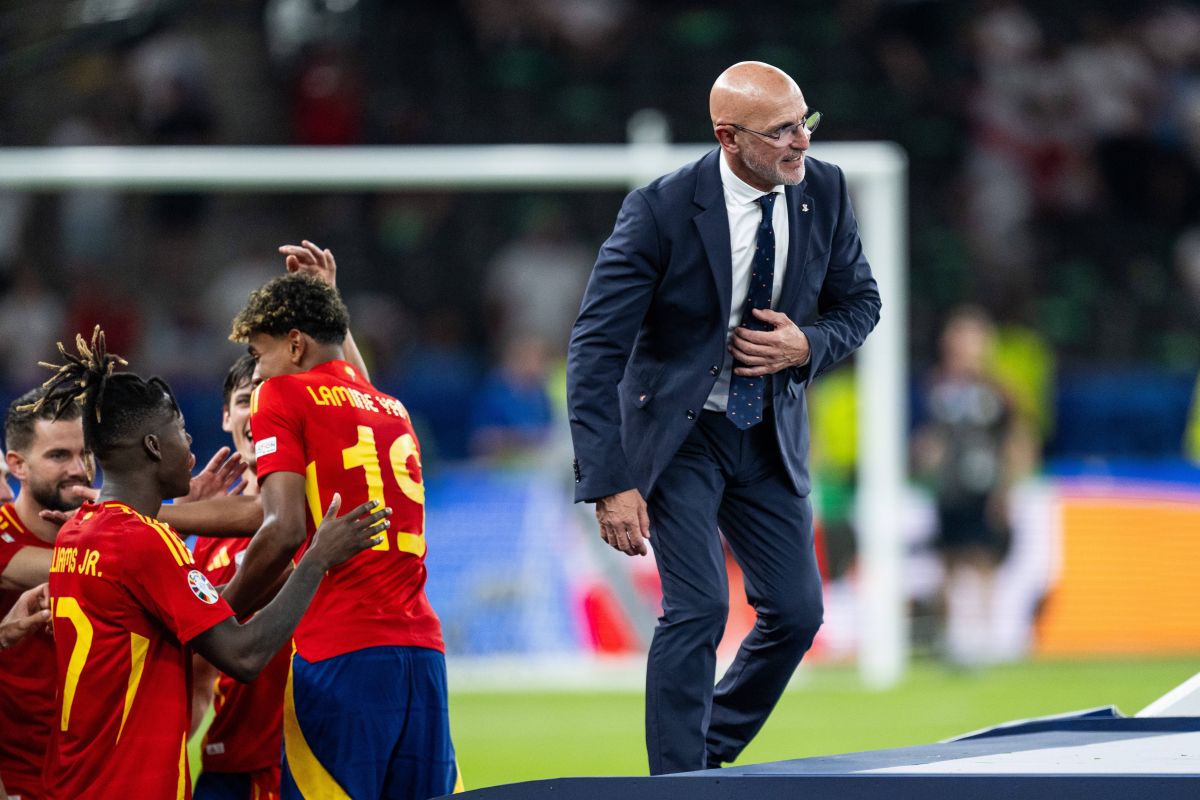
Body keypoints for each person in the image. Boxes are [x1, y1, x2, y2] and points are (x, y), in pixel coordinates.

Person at [567, 61, 881, 774]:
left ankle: (704, 758)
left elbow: (860, 304)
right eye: (783, 131)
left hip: (768, 431)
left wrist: (808, 345)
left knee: (798, 614)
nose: (803, 141)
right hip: (680, 439)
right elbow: (595, 347)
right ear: (729, 137)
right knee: (700, 610)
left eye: (807, 122)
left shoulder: (824, 190)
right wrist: (608, 479)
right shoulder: (662, 209)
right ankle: (677, 783)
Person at [37, 326, 390, 799]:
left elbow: (199, 621)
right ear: (153, 447)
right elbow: (242, 655)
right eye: (180, 432)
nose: (190, 446)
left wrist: (281, 570)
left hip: (75, 780)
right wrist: (317, 560)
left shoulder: (79, 533)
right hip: (130, 785)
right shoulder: (146, 541)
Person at [224, 273, 460, 799]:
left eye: (259, 356)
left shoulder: (279, 394)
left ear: (294, 343)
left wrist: (216, 617)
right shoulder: (394, 410)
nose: (257, 373)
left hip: (339, 653)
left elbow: (281, 529)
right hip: (422, 656)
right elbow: (353, 386)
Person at [190, 355, 291, 800]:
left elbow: (269, 516)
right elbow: (198, 673)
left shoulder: (314, 504)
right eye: (247, 400)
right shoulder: (205, 543)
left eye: (273, 399)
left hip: (308, 758)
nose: (260, 412)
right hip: (231, 758)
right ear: (227, 415)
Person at [912, 307, 1036, 667]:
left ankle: (984, 636)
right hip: (948, 488)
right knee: (947, 560)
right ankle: (953, 638)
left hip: (984, 486)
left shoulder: (999, 390)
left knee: (982, 560)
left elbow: (1017, 438)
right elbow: (933, 437)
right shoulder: (936, 386)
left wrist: (1009, 487)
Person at [0, 386, 91, 800]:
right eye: (59, 456)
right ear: (17, 464)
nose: (80, 469)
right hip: (20, 780)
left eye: (85, 453)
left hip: (97, 777)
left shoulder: (102, 537)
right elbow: (69, 570)